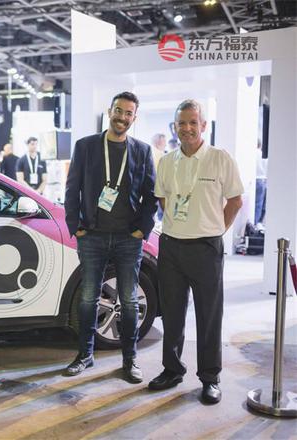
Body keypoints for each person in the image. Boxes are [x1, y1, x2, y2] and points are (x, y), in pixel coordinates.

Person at [149, 99, 243, 405]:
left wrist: (216, 229)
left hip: (206, 247)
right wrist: (180, 223)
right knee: (172, 313)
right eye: (181, 123)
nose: (187, 128)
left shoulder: (219, 158)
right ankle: (172, 369)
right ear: (174, 127)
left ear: (203, 125)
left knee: (208, 314)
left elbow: (236, 201)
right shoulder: (167, 161)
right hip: (171, 246)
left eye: (193, 122)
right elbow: (163, 199)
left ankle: (210, 378)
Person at [64, 91, 156, 383]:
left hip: (129, 238)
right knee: (88, 298)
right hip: (92, 236)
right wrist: (76, 226)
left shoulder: (142, 151)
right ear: (109, 111)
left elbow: (151, 195)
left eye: (128, 113)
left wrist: (142, 229)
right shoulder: (86, 146)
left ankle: (130, 360)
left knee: (129, 301)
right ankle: (85, 355)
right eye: (119, 110)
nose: (122, 117)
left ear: (134, 118)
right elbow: (72, 188)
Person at [254, 140, 267, 226]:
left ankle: (253, 222)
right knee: (259, 204)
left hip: (253, 179)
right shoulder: (262, 154)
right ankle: (256, 224)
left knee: (253, 204)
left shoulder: (252, 154)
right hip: (261, 179)